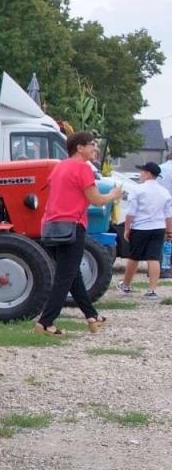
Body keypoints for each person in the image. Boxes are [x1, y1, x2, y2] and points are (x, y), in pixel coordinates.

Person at [34, 131, 124, 335]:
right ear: (79, 147)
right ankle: (46, 322)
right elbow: (97, 200)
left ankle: (91, 316)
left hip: (51, 225)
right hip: (72, 226)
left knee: (72, 274)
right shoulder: (82, 168)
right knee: (65, 277)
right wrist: (114, 194)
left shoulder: (59, 167)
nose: (95, 148)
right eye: (91, 144)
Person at [118, 161, 172, 297]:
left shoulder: (138, 190)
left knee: (134, 257)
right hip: (158, 227)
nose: (140, 174)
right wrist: (169, 231)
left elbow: (131, 212)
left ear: (148, 174)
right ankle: (152, 290)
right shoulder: (164, 192)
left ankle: (126, 285)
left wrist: (127, 228)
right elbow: (168, 215)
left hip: (141, 227)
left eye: (142, 171)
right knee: (153, 258)